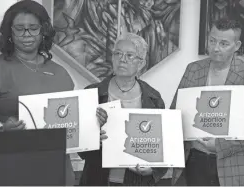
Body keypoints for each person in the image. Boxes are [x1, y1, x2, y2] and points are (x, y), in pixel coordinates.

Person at [0, 0, 75, 185]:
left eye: (33, 28)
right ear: (9, 32)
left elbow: (74, 121)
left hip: (56, 171)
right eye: (19, 28)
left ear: (44, 31)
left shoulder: (61, 73)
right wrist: (0, 128)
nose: (27, 34)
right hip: (9, 169)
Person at [78, 32, 169, 186]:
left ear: (141, 63)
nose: (122, 59)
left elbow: (164, 145)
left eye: (129, 55)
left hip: (137, 181)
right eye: (118, 54)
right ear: (112, 59)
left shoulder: (153, 98)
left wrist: (154, 169)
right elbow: (81, 148)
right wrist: (92, 137)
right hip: (97, 179)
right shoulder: (92, 94)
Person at [171, 18, 244, 186]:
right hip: (194, 159)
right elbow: (175, 113)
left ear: (237, 46)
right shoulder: (193, 69)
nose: (215, 48)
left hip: (232, 165)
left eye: (224, 43)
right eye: (212, 41)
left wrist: (220, 145)